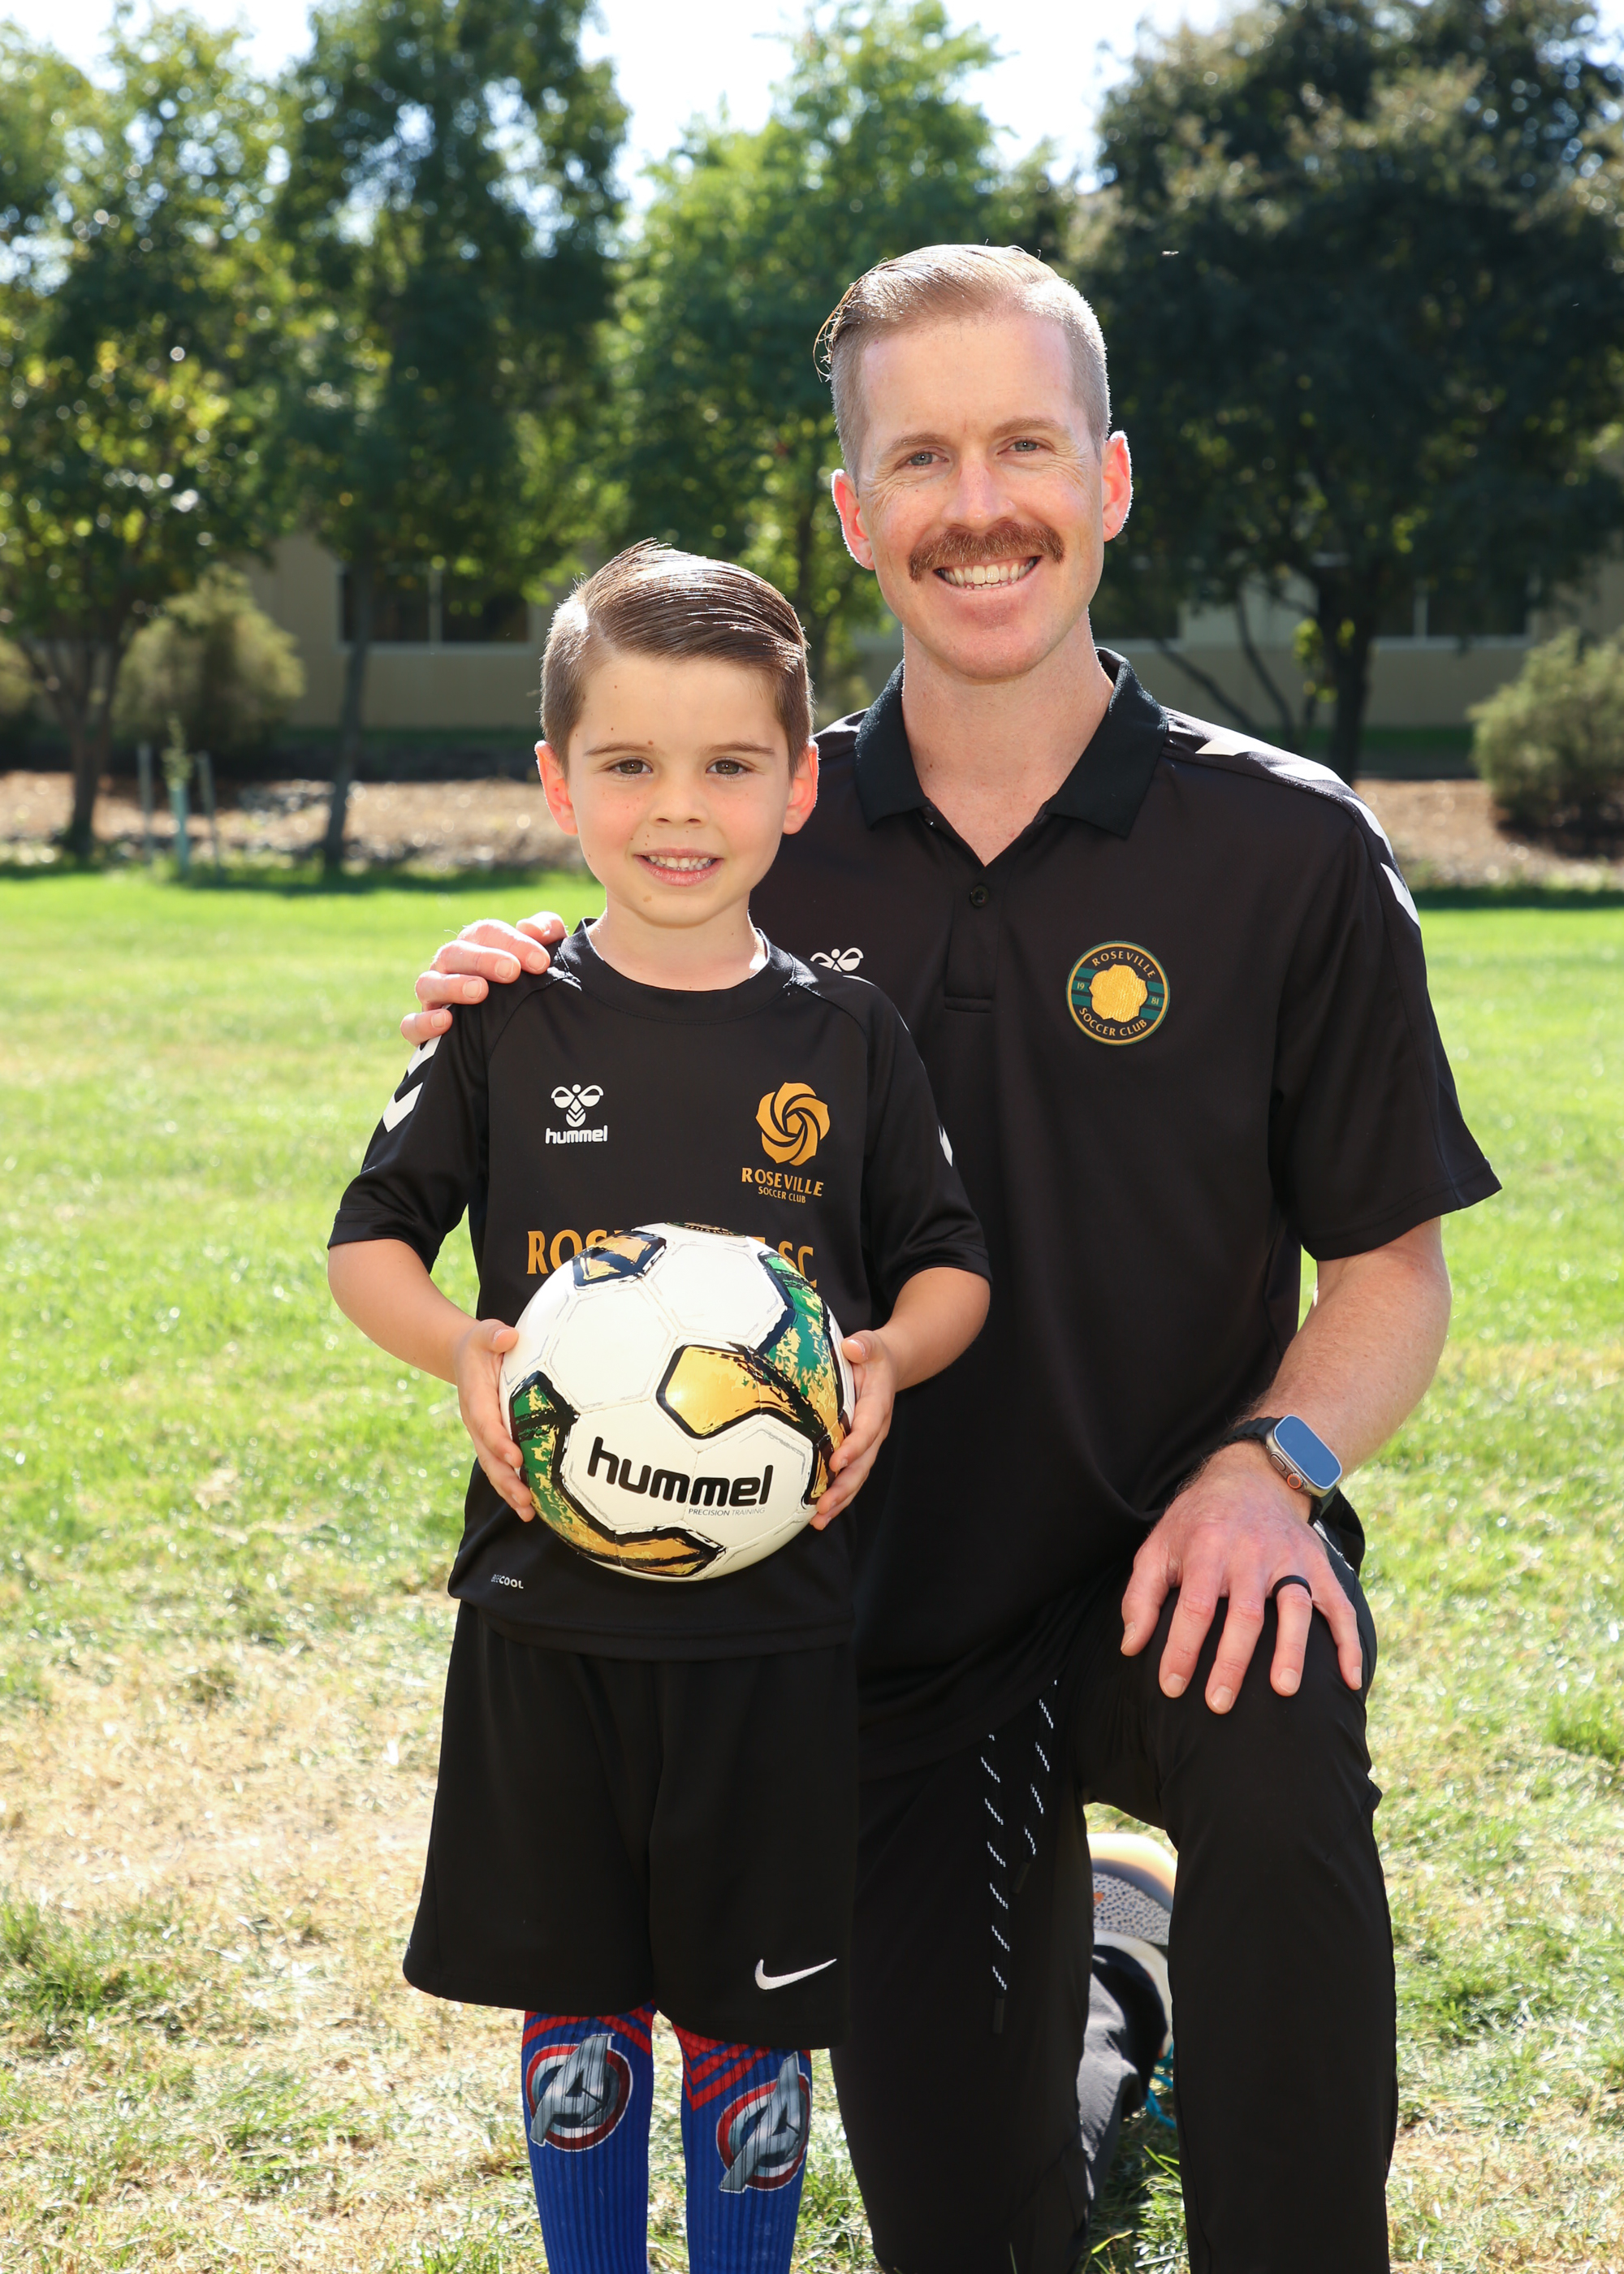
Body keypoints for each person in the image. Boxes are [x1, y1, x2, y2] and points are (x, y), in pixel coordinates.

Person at [395, 246, 1499, 2273]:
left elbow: (1390, 1271)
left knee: (1275, 1718)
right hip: (878, 1619)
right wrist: (509, 987)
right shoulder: (756, 839)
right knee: (980, 2227)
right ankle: (1113, 1980)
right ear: (851, 510)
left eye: (1024, 446)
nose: (977, 504)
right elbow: (589, 1083)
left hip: (1181, 1551)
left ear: (1111, 478)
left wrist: (1273, 1471)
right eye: (920, 457)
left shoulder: (1286, 850)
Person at [326, 543, 990, 2274]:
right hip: (543, 1613)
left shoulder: (848, 1038)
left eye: (726, 763)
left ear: (798, 787)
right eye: (627, 762)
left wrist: (887, 1359)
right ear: (557, 782)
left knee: (752, 2008)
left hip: (776, 1627)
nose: (677, 807)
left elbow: (950, 1264)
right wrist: (463, 1349)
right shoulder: (501, 1021)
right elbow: (369, 1243)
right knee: (579, 1998)